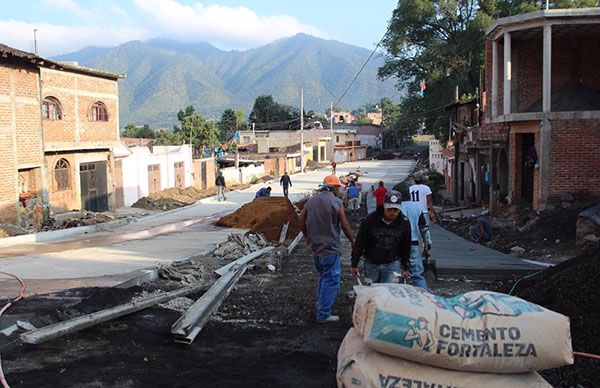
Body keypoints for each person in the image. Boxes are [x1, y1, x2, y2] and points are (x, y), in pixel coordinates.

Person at [300, 175, 355, 323]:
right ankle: (323, 314)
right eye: (338, 188)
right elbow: (344, 224)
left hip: (316, 247)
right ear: (335, 188)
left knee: (324, 277)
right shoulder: (336, 202)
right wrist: (352, 241)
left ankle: (321, 307)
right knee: (331, 279)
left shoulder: (311, 201)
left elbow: (301, 219)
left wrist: (307, 236)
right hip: (330, 248)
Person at [351, 190, 411, 283]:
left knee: (389, 292)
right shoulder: (370, 220)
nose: (392, 213)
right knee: (372, 293)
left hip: (392, 263)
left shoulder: (404, 223)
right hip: (371, 263)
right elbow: (360, 242)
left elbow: (406, 246)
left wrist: (406, 266)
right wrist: (354, 263)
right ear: (384, 206)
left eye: (396, 210)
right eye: (389, 209)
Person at [398, 183, 430, 290]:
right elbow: (424, 228)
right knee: (417, 275)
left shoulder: (396, 208)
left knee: (397, 274)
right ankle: (424, 297)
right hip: (414, 244)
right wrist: (427, 243)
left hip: (398, 245)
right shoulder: (418, 207)